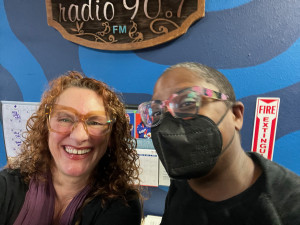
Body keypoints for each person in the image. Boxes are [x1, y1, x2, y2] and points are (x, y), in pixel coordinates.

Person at [138, 62, 300, 225]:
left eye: (187, 103)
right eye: (157, 112)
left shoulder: (289, 206)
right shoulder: (181, 186)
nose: (168, 123)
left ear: (236, 115)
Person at [0, 71, 142, 225]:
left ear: (111, 137)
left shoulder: (122, 206)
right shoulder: (6, 187)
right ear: (46, 127)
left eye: (95, 122)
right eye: (65, 119)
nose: (79, 136)